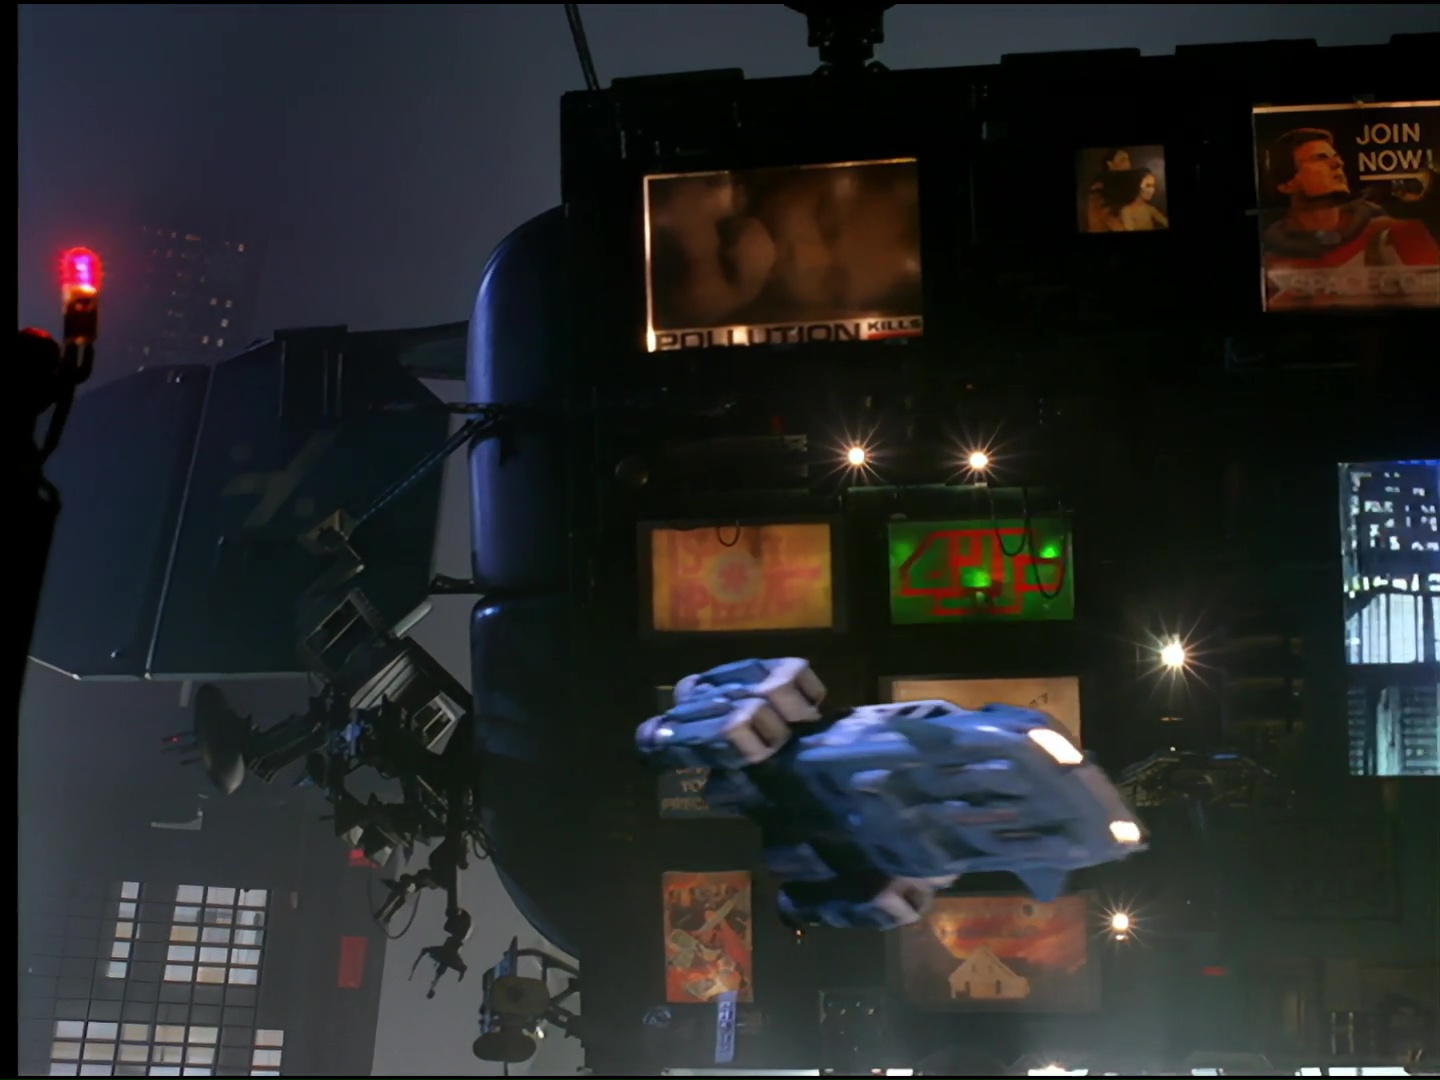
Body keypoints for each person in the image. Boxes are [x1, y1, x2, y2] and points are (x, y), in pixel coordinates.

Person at [1260, 126, 1440, 309]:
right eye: (1320, 158)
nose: (1337, 163)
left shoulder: (1398, 235)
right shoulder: (1272, 260)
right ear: (1287, 185)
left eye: (1335, 156)